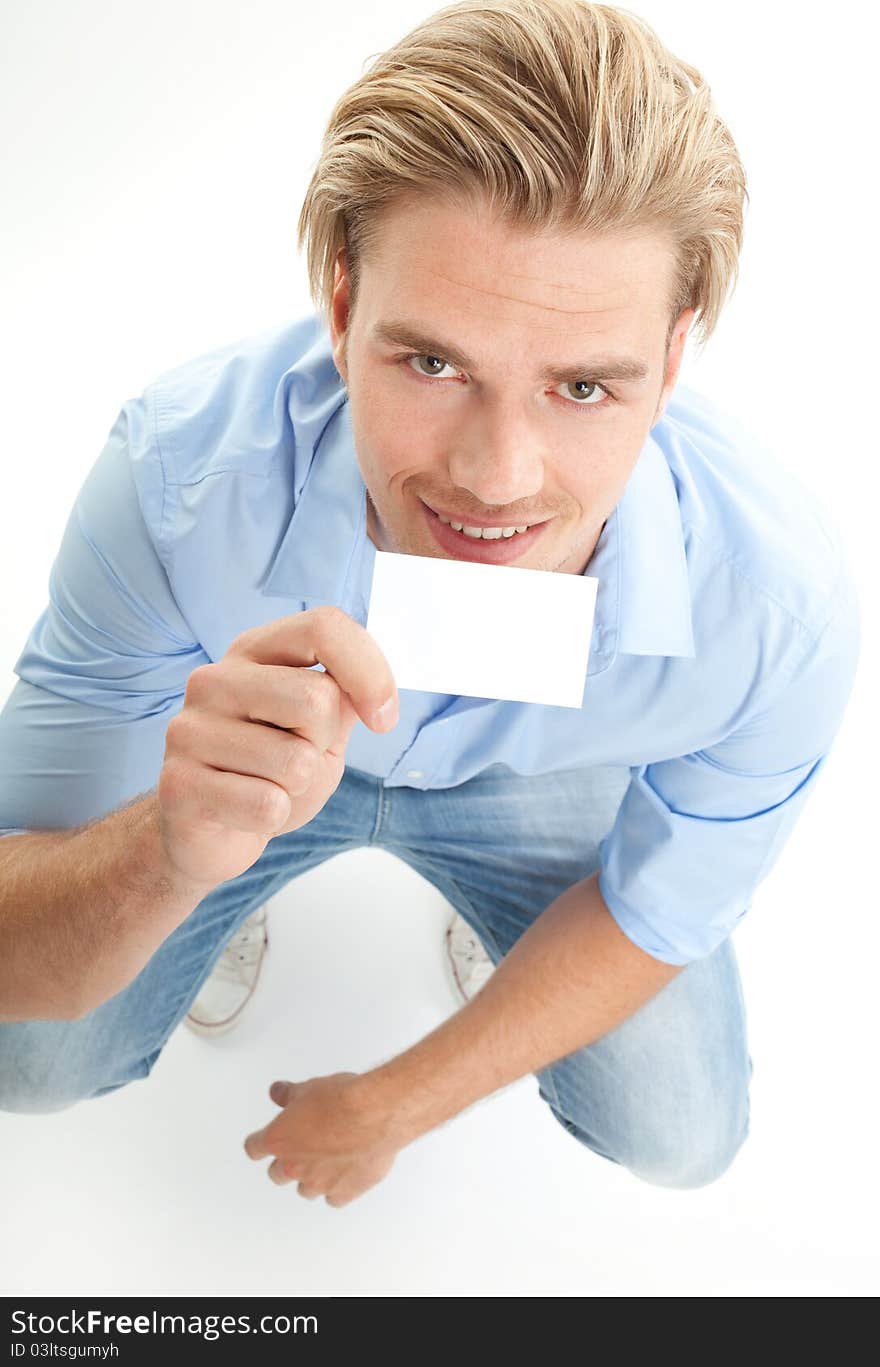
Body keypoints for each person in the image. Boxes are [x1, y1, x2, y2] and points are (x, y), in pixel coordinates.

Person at [0, 0, 860, 1208]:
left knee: (683, 1131)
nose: (495, 477)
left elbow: (661, 913)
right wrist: (166, 849)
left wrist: (395, 1100)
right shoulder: (175, 479)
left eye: (581, 385)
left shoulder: (778, 609)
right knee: (23, 1054)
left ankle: (498, 920)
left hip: (545, 775)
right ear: (343, 309)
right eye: (433, 362)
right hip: (241, 745)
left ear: (670, 364)